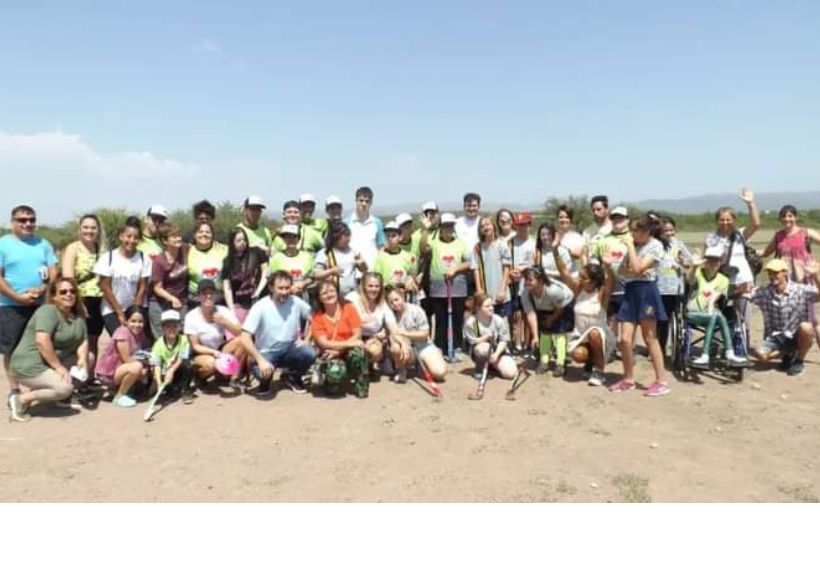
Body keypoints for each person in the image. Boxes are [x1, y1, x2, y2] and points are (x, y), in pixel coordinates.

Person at [7, 277, 88, 422]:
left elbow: (83, 339)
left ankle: (60, 397)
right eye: (63, 292)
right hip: (29, 364)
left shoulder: (77, 314)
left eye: (72, 291)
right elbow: (42, 341)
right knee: (65, 388)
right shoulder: (47, 311)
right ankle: (22, 399)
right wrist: (58, 367)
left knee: (89, 357)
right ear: (54, 296)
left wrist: (82, 358)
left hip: (47, 361)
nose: (69, 294)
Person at [1, 205, 57, 405]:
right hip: (10, 305)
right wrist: (17, 297)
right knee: (12, 349)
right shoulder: (3, 244)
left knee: (41, 345)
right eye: (22, 220)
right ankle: (14, 389)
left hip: (40, 305)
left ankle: (39, 387)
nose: (27, 223)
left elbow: (53, 272)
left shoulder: (44, 244)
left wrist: (43, 288)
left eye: (31, 220)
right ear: (12, 222)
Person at [609, 215, 669, 396]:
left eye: (636, 230)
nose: (632, 234)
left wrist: (631, 253)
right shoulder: (634, 246)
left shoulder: (655, 245)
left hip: (646, 292)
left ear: (647, 231)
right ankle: (628, 379)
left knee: (650, 337)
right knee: (625, 340)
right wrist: (635, 269)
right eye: (632, 230)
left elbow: (636, 268)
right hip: (630, 291)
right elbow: (622, 270)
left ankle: (661, 381)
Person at [551, 237, 616, 386]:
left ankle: (599, 371)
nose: (579, 279)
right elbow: (564, 272)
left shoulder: (601, 293)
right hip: (581, 335)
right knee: (577, 355)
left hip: (600, 336)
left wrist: (608, 267)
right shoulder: (578, 289)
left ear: (593, 281)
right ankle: (589, 364)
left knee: (594, 333)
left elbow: (611, 281)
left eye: (583, 277)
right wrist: (555, 251)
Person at [240, 270, 317, 394]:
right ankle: (265, 382)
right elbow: (245, 336)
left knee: (309, 353)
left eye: (287, 288)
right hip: (267, 353)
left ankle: (292, 377)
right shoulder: (260, 306)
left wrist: (307, 339)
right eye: (280, 288)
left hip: (290, 348)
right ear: (271, 287)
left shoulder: (296, 302)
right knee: (262, 371)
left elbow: (315, 319)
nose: (284, 292)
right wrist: (260, 360)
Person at [702, 188, 761, 349]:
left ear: (734, 220)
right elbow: (706, 260)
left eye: (728, 219)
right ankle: (717, 347)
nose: (725, 222)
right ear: (717, 221)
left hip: (742, 281)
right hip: (718, 282)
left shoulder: (740, 234)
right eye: (721, 219)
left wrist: (750, 203)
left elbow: (756, 224)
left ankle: (742, 349)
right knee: (716, 315)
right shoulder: (711, 238)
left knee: (743, 319)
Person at [761, 204, 820, 348]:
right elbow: (766, 252)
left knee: (812, 319)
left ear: (796, 217)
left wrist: (815, 266)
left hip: (803, 280)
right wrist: (746, 251)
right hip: (785, 282)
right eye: (784, 216)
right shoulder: (778, 236)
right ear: (780, 218)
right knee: (788, 319)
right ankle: (791, 351)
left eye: (790, 216)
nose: (787, 219)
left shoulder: (806, 233)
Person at [749, 258, 820, 376]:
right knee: (760, 355)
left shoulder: (799, 289)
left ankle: (799, 360)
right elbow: (746, 293)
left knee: (806, 327)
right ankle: (787, 352)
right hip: (776, 337)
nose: (772, 276)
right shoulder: (764, 292)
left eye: (776, 273)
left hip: (795, 334)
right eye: (770, 273)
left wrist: (816, 275)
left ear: (785, 273)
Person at [685, 247, 748, 367]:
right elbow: (690, 281)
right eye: (710, 260)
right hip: (694, 312)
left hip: (711, 312)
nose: (713, 263)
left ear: (720, 262)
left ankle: (717, 355)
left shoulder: (723, 280)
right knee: (716, 316)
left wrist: (710, 310)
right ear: (705, 261)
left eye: (716, 260)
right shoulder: (698, 272)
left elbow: (715, 298)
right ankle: (721, 353)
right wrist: (694, 266)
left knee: (716, 316)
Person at [421, 212, 472, 361]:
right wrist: (426, 229)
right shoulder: (434, 242)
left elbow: (469, 262)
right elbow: (423, 248)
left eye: (450, 226)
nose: (448, 229)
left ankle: (456, 346)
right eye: (445, 226)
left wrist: (455, 269)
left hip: (457, 287)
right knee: (441, 318)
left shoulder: (461, 243)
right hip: (438, 288)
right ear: (440, 228)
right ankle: (441, 346)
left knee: (457, 318)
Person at [60, 214, 105, 375]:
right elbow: (68, 277)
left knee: (93, 339)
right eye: (85, 227)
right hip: (78, 299)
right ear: (79, 229)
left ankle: (89, 376)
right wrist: (79, 303)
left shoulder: (100, 249)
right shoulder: (73, 248)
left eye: (93, 228)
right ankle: (75, 375)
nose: (89, 231)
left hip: (98, 299)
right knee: (78, 341)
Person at [184, 280, 246, 393]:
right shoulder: (191, 316)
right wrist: (214, 353)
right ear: (199, 296)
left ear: (216, 295)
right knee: (211, 363)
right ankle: (200, 377)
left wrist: (225, 321)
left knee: (242, 340)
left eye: (211, 293)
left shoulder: (222, 310)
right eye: (204, 293)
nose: (208, 296)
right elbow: (195, 346)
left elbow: (240, 332)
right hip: (201, 353)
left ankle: (234, 379)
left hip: (220, 348)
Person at [310, 280, 370, 398]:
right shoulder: (317, 316)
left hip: (343, 351)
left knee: (359, 354)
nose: (329, 295)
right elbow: (323, 343)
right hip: (330, 353)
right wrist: (348, 345)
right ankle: (331, 382)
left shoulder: (348, 307)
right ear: (319, 298)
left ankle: (361, 385)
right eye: (324, 293)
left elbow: (357, 333)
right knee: (335, 374)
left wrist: (339, 350)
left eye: (332, 291)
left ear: (337, 292)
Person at [93, 216, 151, 336]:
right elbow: (105, 288)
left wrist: (134, 313)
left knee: (135, 341)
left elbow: (142, 287)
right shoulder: (108, 258)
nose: (132, 240)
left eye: (135, 237)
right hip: (111, 309)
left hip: (134, 309)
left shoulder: (143, 258)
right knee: (121, 339)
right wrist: (119, 313)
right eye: (128, 236)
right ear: (121, 236)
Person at [384, 285, 447, 383]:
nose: (394, 304)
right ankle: (401, 370)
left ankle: (430, 359)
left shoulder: (416, 311)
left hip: (423, 346)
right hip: (407, 348)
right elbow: (390, 333)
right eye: (391, 302)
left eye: (396, 300)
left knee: (439, 373)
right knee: (395, 346)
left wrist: (405, 333)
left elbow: (425, 334)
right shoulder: (390, 315)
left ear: (403, 297)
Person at [521, 266, 574, 376]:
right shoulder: (526, 294)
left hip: (563, 304)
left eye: (530, 280)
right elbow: (531, 314)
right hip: (544, 305)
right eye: (525, 279)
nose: (527, 283)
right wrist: (535, 336)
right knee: (544, 332)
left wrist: (552, 318)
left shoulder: (553, 291)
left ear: (540, 280)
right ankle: (544, 361)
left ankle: (560, 363)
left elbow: (559, 309)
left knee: (559, 332)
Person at [94, 305, 150, 408]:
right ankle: (119, 396)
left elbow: (146, 351)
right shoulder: (122, 332)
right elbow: (127, 359)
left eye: (140, 321)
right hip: (109, 373)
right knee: (137, 367)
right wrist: (143, 368)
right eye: (133, 321)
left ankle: (122, 390)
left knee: (147, 365)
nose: (137, 325)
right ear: (126, 321)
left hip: (121, 369)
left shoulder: (140, 334)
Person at [589, 206, 632, 338]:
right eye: (614, 218)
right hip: (610, 289)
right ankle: (611, 345)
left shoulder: (633, 238)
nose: (617, 220)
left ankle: (627, 347)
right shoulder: (603, 240)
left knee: (628, 327)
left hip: (630, 288)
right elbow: (594, 260)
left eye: (621, 218)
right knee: (611, 323)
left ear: (627, 220)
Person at [345, 272, 394, 377]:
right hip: (353, 337)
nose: (374, 289)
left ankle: (371, 364)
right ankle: (355, 366)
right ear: (363, 286)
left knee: (374, 350)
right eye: (370, 286)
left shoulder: (382, 303)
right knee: (356, 355)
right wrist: (360, 322)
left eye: (377, 286)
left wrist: (387, 333)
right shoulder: (352, 298)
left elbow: (392, 323)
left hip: (373, 337)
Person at [656, 217, 692, 356]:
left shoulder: (678, 244)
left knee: (677, 318)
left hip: (676, 288)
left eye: (671, 230)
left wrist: (682, 261)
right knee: (662, 321)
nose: (669, 233)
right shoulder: (656, 245)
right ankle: (660, 349)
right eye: (665, 231)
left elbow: (689, 262)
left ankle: (677, 346)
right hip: (660, 288)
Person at [463, 293, 518, 381]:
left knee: (511, 373)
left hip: (497, 351)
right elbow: (472, 342)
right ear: (478, 308)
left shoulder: (498, 320)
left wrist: (496, 354)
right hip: (480, 351)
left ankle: (493, 366)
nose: (491, 308)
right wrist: (485, 337)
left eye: (491, 305)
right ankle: (479, 371)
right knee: (484, 348)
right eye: (487, 306)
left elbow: (504, 340)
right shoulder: (472, 322)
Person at [148, 222, 189, 339]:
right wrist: (171, 298)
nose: (178, 239)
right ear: (165, 241)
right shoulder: (159, 261)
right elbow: (157, 288)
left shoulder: (185, 250)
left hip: (181, 302)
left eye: (179, 235)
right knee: (163, 339)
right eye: (174, 236)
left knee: (181, 337)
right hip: (160, 304)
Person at [223, 226, 269, 322]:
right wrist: (231, 309)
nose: (242, 242)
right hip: (239, 304)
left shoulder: (256, 252)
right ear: (232, 243)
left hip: (258, 299)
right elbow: (227, 287)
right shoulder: (227, 261)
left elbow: (266, 271)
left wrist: (258, 290)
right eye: (238, 240)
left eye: (244, 239)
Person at [149, 310, 193, 404]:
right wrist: (159, 382)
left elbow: (181, 358)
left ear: (179, 326)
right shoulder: (158, 344)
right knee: (156, 387)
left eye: (175, 326)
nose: (171, 329)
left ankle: (185, 390)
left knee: (188, 365)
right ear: (162, 328)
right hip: (164, 371)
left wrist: (171, 371)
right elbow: (157, 365)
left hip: (177, 369)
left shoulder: (184, 340)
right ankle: (168, 391)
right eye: (168, 326)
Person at [472, 216, 512, 317]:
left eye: (488, 224)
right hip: (486, 297)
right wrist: (479, 290)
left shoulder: (502, 245)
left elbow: (506, 269)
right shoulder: (477, 248)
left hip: (500, 295)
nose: (485, 228)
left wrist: (502, 289)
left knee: (502, 324)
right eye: (482, 226)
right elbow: (476, 269)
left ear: (494, 226)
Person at [314, 222, 367, 297]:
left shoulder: (353, 251)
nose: (348, 239)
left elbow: (364, 270)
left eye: (349, 235)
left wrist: (362, 264)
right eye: (345, 236)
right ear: (336, 236)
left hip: (352, 294)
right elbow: (316, 275)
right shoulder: (325, 253)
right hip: (332, 295)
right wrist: (331, 271)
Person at [508, 212, 536, 353]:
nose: (521, 228)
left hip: (529, 283)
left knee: (528, 314)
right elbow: (506, 261)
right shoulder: (511, 242)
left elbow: (536, 262)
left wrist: (525, 269)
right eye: (519, 225)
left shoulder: (533, 243)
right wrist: (511, 272)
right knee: (517, 315)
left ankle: (527, 344)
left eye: (524, 225)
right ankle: (517, 343)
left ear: (529, 225)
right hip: (515, 283)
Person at [187, 221, 228, 307]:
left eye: (207, 232)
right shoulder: (187, 251)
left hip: (219, 299)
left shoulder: (224, 250)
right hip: (195, 300)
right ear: (194, 235)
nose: (204, 234)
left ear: (212, 235)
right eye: (200, 232)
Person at [268, 224, 313, 300]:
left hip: (302, 297)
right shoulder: (276, 258)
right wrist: (289, 288)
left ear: (298, 239)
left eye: (294, 236)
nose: (291, 239)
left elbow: (312, 277)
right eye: (288, 237)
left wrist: (303, 283)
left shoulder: (307, 257)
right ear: (283, 239)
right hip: (281, 298)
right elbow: (271, 279)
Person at [345, 186, 385, 269]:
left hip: (372, 271)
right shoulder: (346, 223)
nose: (364, 204)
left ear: (371, 203)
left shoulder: (377, 223)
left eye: (367, 201)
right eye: (361, 200)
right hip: (352, 271)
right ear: (356, 201)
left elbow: (381, 247)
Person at [372, 221, 417, 293]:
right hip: (387, 294)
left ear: (400, 237)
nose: (390, 239)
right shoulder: (380, 257)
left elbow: (413, 273)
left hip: (405, 294)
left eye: (393, 236)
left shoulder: (408, 256)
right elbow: (377, 277)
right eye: (388, 236)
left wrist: (410, 280)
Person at [556, 204, 585, 274]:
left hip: (571, 275)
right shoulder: (551, 236)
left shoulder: (577, 237)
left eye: (567, 217)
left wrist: (564, 248)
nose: (564, 220)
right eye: (561, 217)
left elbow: (578, 254)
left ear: (571, 219)